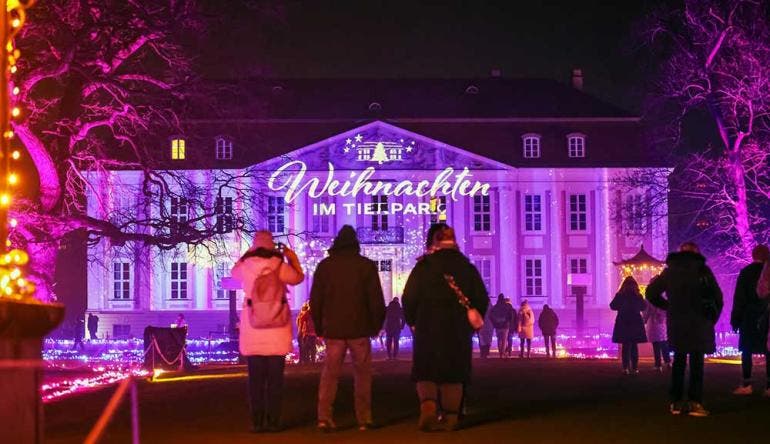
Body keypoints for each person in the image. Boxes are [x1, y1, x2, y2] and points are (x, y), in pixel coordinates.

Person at [403, 224, 489, 431]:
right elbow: (481, 298)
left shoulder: (423, 267)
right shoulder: (466, 267)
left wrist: (413, 321)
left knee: (426, 370)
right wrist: (471, 325)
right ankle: (451, 416)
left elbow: (409, 297)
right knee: (454, 372)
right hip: (457, 328)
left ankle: (428, 407)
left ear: (434, 241)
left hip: (427, 326)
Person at [310, 225, 386, 432]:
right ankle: (364, 418)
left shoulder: (325, 266)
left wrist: (318, 326)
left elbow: (315, 300)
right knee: (362, 375)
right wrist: (376, 325)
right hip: (359, 329)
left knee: (330, 375)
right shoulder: (366, 266)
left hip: (333, 329)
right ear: (355, 244)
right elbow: (376, 300)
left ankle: (324, 417)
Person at [231, 231, 305, 433]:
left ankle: (257, 421)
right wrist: (291, 256)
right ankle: (273, 421)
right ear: (272, 245)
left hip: (253, 331)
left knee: (255, 381)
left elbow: (233, 273)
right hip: (277, 331)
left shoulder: (245, 265)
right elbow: (298, 278)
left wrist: (249, 252)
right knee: (275, 381)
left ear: (254, 245)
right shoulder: (279, 265)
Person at [647, 241, 723, 417]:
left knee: (679, 363)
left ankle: (676, 402)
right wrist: (712, 317)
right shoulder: (703, 271)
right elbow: (717, 297)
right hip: (700, 322)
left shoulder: (669, 272)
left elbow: (651, 293)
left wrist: (668, 306)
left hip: (678, 322)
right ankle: (695, 402)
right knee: (697, 363)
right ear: (697, 253)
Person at [730, 244, 770, 396]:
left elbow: (739, 298)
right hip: (767, 315)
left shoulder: (746, 272)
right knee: (768, 349)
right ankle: (768, 385)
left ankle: (747, 382)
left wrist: (735, 319)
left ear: (753, 256)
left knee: (746, 350)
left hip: (749, 315)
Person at [610, 276, 647, 375]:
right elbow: (644, 306)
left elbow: (612, 306)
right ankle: (635, 368)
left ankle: (625, 368)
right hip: (635, 321)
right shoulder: (637, 295)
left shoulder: (620, 295)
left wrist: (621, 307)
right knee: (634, 345)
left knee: (625, 345)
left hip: (623, 321)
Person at [643, 298, 670, 371]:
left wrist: (644, 320)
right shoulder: (664, 299)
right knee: (664, 343)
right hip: (663, 323)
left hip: (653, 323)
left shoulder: (649, 299)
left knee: (656, 345)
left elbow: (646, 312)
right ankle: (668, 362)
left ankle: (658, 365)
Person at [489, 294, 514, 358]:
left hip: (497, 326)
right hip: (505, 326)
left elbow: (491, 316)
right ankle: (502, 353)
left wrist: (494, 323)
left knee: (499, 340)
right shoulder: (507, 306)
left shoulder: (495, 307)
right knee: (504, 340)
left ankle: (500, 353)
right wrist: (509, 322)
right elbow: (511, 315)